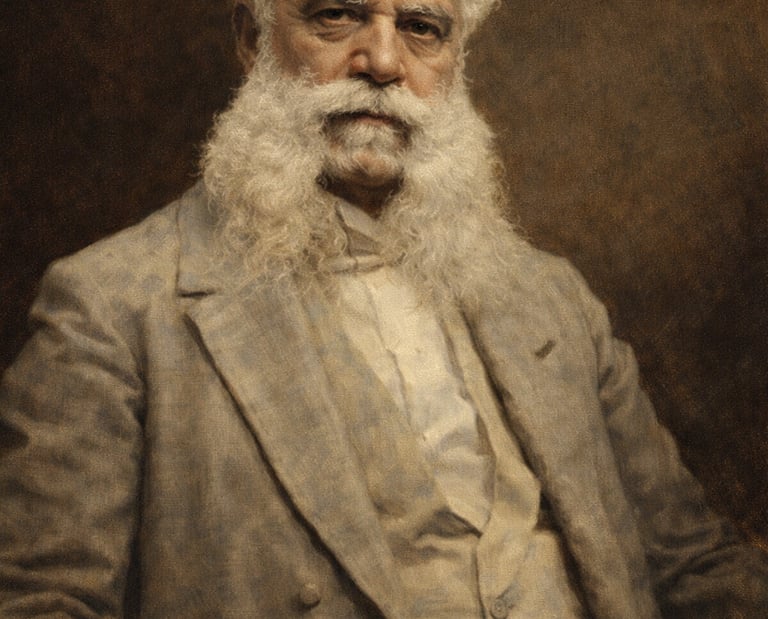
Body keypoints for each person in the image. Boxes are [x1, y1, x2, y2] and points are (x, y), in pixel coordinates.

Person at [1, 0, 766, 616]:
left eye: (421, 27)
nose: (383, 61)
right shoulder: (111, 306)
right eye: (336, 15)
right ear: (254, 39)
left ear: (455, 60)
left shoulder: (555, 299)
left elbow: (693, 564)